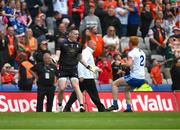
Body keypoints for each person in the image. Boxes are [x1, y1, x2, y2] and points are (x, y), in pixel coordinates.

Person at [55, 28, 99, 112]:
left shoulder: (79, 45)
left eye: (78, 34)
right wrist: (55, 59)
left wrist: (89, 67)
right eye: (75, 34)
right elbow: (57, 55)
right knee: (62, 88)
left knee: (76, 86)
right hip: (63, 68)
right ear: (70, 34)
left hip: (73, 68)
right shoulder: (61, 43)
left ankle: (81, 106)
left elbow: (80, 58)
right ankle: (60, 106)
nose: (77, 36)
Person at [63, 40, 106, 112]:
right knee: (94, 94)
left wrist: (97, 69)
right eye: (94, 45)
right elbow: (81, 63)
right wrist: (81, 75)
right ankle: (101, 109)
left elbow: (89, 65)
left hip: (86, 76)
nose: (96, 46)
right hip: (87, 77)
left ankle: (67, 107)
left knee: (76, 93)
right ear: (89, 45)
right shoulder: (86, 52)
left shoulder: (87, 52)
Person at [107, 36, 146, 112]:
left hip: (135, 77)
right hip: (142, 78)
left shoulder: (132, 52)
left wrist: (119, 63)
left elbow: (128, 64)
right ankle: (128, 108)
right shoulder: (142, 52)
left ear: (130, 43)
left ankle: (115, 105)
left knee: (114, 84)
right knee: (127, 89)